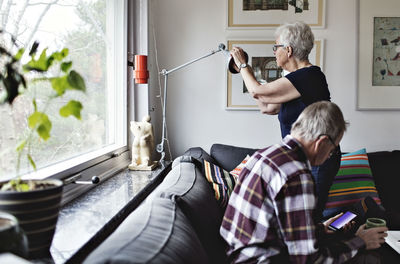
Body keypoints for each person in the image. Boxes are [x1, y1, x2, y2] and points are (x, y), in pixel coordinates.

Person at [220, 101, 388, 263]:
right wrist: (360, 242)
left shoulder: (263, 156)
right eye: (332, 150)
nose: (329, 156)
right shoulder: (297, 175)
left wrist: (319, 229)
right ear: (321, 142)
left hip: (236, 257)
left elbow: (276, 228)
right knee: (368, 258)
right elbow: (309, 260)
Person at [230, 21, 338, 221]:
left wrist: (244, 65)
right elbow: (266, 107)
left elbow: (257, 91)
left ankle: (315, 249)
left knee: (308, 217)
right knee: (298, 216)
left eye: (276, 47)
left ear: (288, 50)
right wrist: (244, 73)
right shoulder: (298, 80)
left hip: (319, 158)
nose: (274, 52)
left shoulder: (309, 76)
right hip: (300, 160)